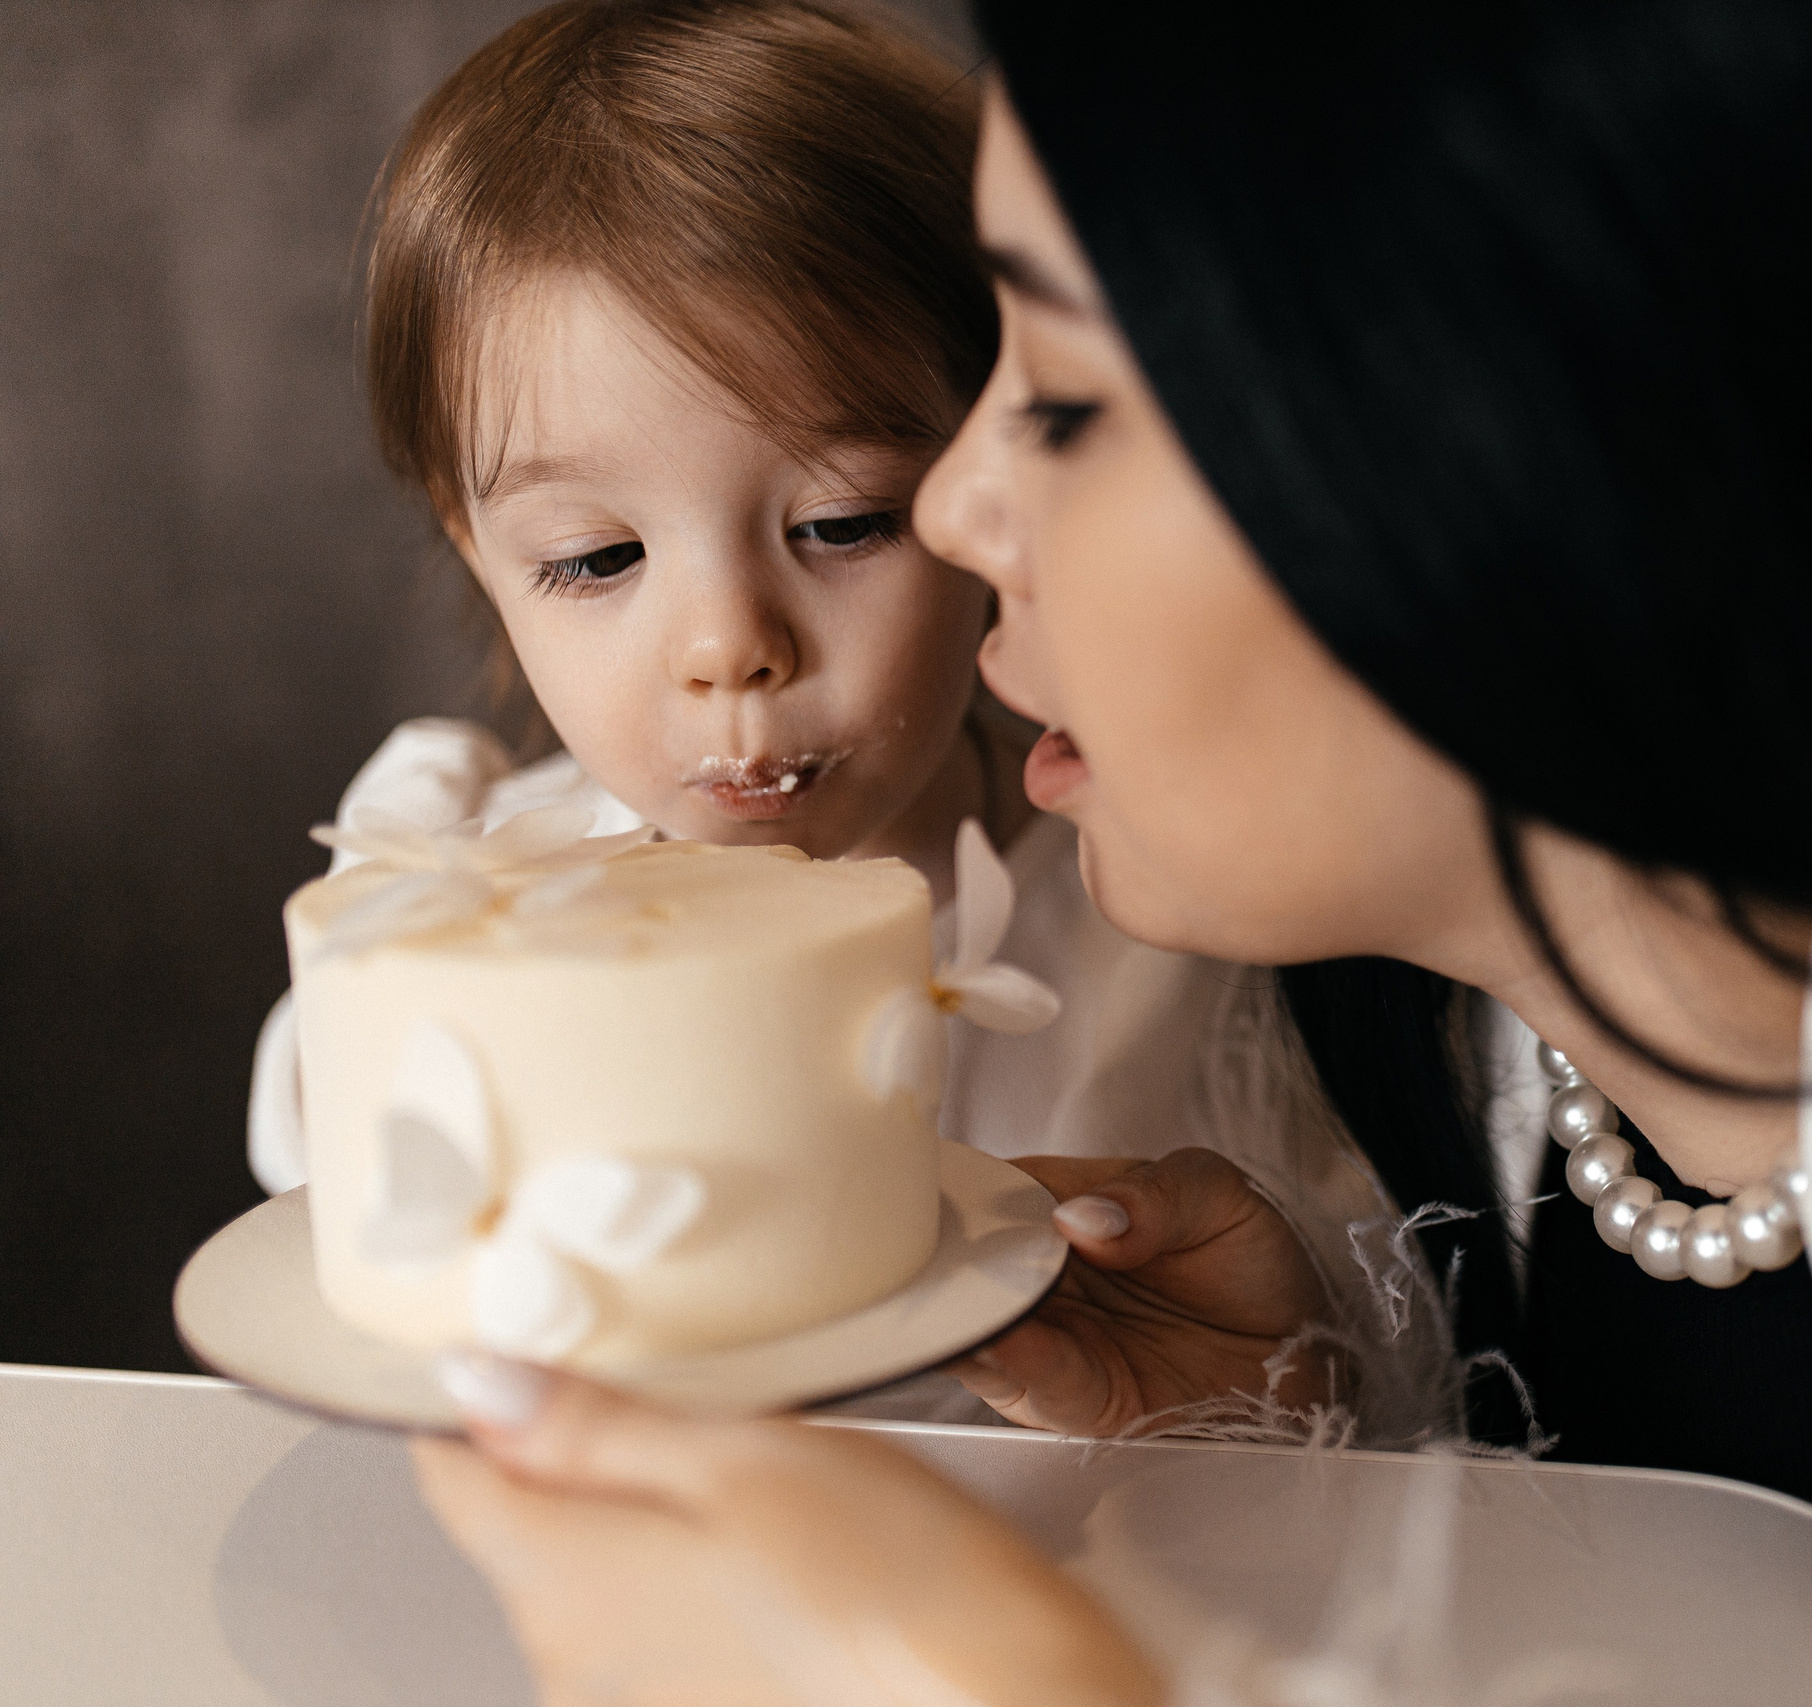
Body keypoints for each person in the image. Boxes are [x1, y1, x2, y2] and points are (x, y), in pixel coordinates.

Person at [414, 2, 1812, 1703]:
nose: (964, 517)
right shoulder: (1436, 1043)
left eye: (1057, 396)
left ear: (1530, 451)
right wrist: (1283, 1448)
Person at [249, 0, 1406, 1431]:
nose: (732, 647)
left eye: (846, 523)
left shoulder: (1160, 927)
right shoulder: (477, 895)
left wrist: (1303, 1371)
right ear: (480, 551)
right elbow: (323, 1159)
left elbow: (1361, 1351)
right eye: (598, 559)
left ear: (995, 472)